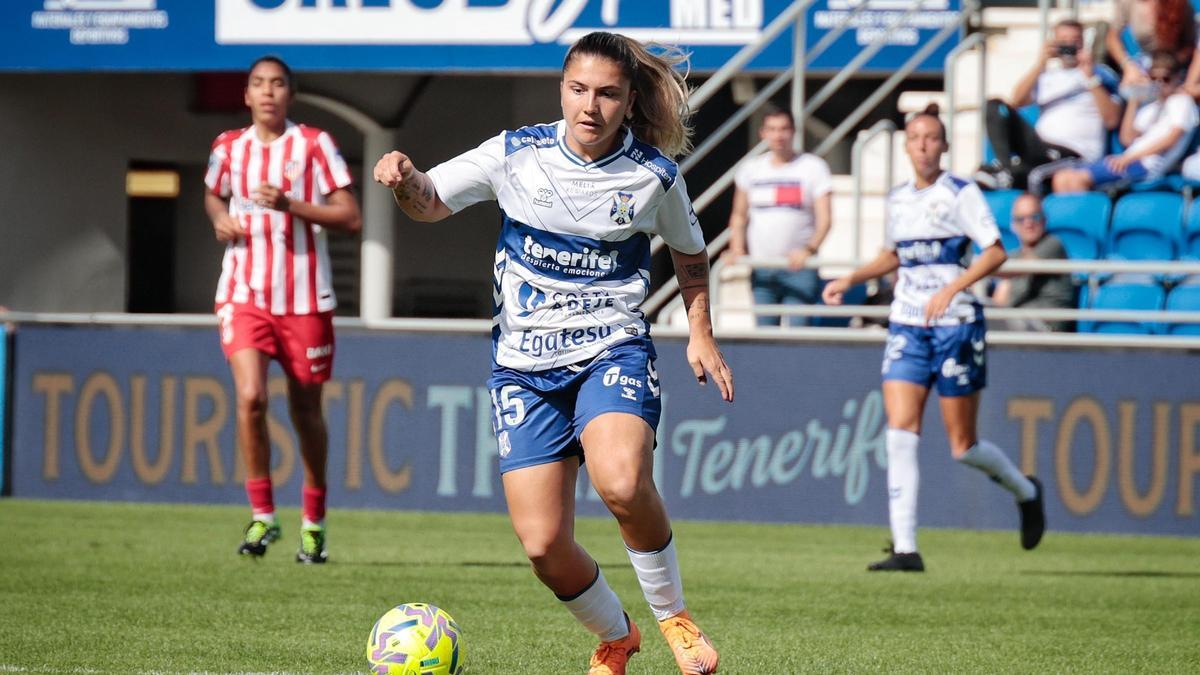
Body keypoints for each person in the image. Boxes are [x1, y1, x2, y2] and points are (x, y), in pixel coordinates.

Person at [373, 31, 733, 675]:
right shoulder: (516, 154)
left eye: (607, 94)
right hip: (522, 368)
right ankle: (617, 638)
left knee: (621, 481)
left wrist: (700, 330)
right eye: (578, 90)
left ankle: (674, 616)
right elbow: (429, 202)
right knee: (542, 545)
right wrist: (403, 178)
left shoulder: (653, 176)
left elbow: (691, 255)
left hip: (611, 351)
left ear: (628, 102)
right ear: (560, 89)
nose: (590, 106)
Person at [822, 105, 1046, 572]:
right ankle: (906, 549)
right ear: (906, 146)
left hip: (956, 323)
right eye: (915, 137)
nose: (923, 145)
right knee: (900, 431)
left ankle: (1026, 492)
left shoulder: (961, 193)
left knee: (963, 446)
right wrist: (851, 279)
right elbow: (894, 255)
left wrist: (952, 288)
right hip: (907, 323)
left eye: (931, 138)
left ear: (944, 146)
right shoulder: (898, 198)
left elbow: (995, 252)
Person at [204, 56, 362, 564]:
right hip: (244, 293)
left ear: (290, 94)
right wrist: (220, 218)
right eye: (257, 83)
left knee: (305, 410)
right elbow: (212, 196)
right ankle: (263, 516)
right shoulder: (228, 147)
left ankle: (313, 522)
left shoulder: (314, 144)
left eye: (277, 84)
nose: (267, 91)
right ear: (246, 95)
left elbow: (350, 216)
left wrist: (290, 204)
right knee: (250, 396)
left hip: (303, 301)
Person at [977, 20, 1122, 191]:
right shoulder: (1047, 76)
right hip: (1040, 147)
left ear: (1083, 43)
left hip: (1074, 153)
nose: (1069, 45)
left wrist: (1090, 78)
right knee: (995, 106)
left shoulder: (1100, 74)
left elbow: (1112, 119)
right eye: (1063, 40)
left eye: (1075, 40)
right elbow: (1016, 101)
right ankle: (1005, 167)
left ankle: (1006, 174)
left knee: (1021, 173)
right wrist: (1040, 64)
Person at [725, 106, 833, 327]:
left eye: (784, 129)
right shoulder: (751, 168)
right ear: (763, 133)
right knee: (765, 339)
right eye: (772, 129)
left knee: (797, 336)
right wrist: (737, 247)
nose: (778, 135)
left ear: (794, 131)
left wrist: (808, 251)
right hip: (762, 267)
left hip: (800, 268)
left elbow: (826, 219)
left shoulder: (814, 167)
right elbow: (738, 215)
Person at [1052, 51, 1198, 192]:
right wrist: (1134, 98)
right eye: (1153, 78)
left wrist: (1128, 158)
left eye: (1165, 79)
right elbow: (1127, 138)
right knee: (1061, 178)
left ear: (1177, 78)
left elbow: (1171, 139)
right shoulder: (1152, 108)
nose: (1159, 84)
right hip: (1129, 159)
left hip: (1145, 166)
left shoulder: (1182, 102)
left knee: (1077, 180)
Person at [992, 194, 1077, 332]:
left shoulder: (1053, 244)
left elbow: (1021, 267)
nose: (1028, 223)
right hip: (1018, 323)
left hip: (1046, 327)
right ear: (1013, 225)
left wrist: (978, 270)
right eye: (1021, 219)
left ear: (1044, 220)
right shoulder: (1013, 257)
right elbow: (999, 302)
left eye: (1034, 217)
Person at [1107, 0, 1196, 88]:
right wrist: (1128, 67)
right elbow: (1112, 38)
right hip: (1143, 63)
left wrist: (1170, 65)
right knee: (1130, 88)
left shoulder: (1180, 4)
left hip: (1174, 66)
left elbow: (1191, 45)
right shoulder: (1129, 3)